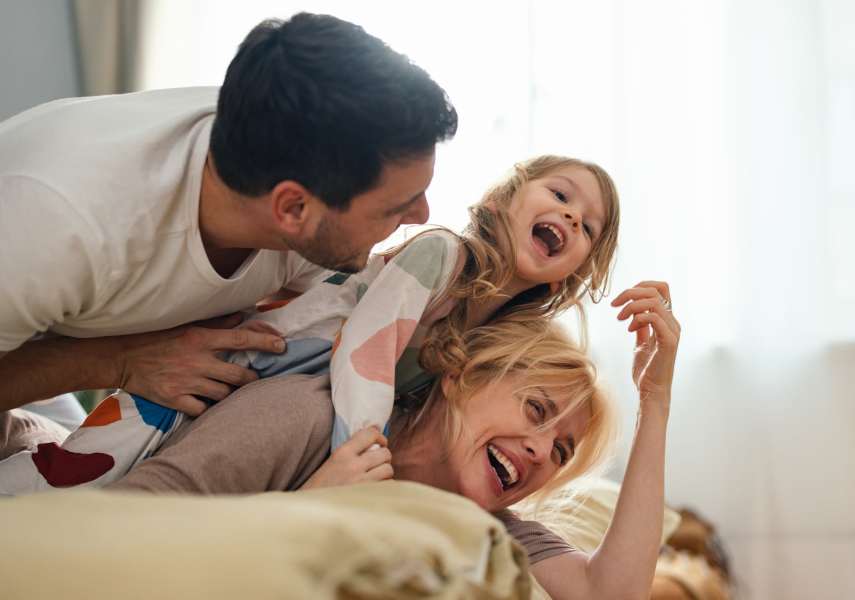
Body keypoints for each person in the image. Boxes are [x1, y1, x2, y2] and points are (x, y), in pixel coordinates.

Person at [0, 154, 620, 491]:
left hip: (282, 383)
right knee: (91, 466)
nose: (570, 217)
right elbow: (366, 352)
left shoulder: (489, 331)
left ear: (571, 273)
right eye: (560, 195)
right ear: (502, 200)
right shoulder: (442, 255)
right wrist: (364, 454)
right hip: (249, 355)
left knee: (123, 465)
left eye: (588, 226)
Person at [0, 12, 458, 417]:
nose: (422, 216)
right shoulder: (59, 225)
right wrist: (120, 361)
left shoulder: (289, 148)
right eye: (396, 207)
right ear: (292, 208)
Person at [106, 280, 680, 600]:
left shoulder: (491, 533)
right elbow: (115, 522)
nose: (539, 450)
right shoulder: (306, 418)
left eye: (560, 452)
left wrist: (655, 401)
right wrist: (305, 511)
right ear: (461, 374)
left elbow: (611, 594)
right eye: (536, 409)